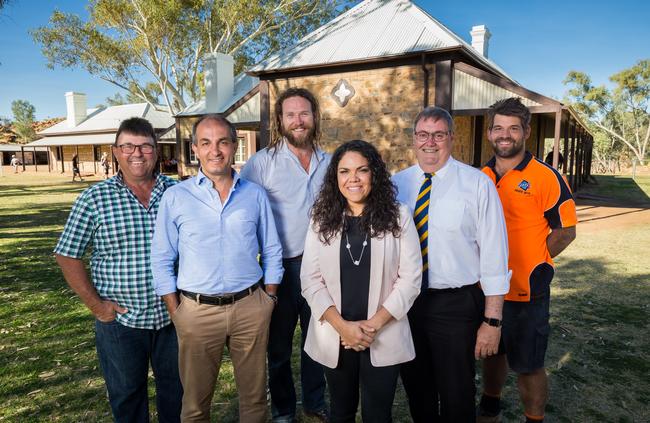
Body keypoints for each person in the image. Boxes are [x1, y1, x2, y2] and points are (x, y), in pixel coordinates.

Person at [151, 114, 284, 422]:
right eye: (206, 143)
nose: (215, 150)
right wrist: (176, 310)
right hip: (196, 312)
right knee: (195, 404)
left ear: (234, 146)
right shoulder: (176, 197)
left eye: (223, 142)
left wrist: (270, 298)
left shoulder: (254, 195)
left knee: (254, 400)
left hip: (250, 307)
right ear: (195, 149)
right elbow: (161, 257)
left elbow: (273, 249)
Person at [54, 117, 182, 423]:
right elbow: (67, 255)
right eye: (128, 146)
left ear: (156, 150)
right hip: (122, 320)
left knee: (177, 393)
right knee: (127, 396)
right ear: (115, 151)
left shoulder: (177, 193)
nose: (137, 153)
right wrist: (98, 307)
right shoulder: (93, 199)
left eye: (145, 146)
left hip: (174, 316)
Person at [392, 106, 511, 422]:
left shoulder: (476, 184)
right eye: (422, 134)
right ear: (414, 139)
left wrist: (492, 321)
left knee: (457, 392)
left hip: (456, 305)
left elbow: (495, 256)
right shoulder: (396, 185)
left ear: (451, 138)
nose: (430, 142)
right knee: (417, 388)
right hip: (409, 302)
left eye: (438, 134)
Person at [301, 140, 422, 422]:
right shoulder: (321, 219)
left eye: (361, 170)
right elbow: (310, 279)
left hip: (382, 331)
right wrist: (344, 328)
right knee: (341, 412)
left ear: (374, 175)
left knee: (377, 415)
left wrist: (371, 327)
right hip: (336, 334)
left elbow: (411, 279)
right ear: (335, 177)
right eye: (344, 171)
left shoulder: (398, 216)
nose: (352, 179)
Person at [478, 98, 577, 423]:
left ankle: (534, 418)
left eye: (513, 128)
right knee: (492, 351)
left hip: (527, 291)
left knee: (529, 364)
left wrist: (535, 259)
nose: (505, 135)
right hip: (487, 289)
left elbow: (566, 231)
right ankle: (490, 404)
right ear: (490, 133)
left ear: (526, 132)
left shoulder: (546, 176)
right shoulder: (482, 176)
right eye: (499, 128)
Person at [241, 87, 330, 422]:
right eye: (290, 114)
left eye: (304, 113)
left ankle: (314, 403)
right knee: (277, 348)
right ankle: (281, 409)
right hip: (280, 270)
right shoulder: (261, 164)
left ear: (315, 117)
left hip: (321, 268)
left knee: (318, 341)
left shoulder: (330, 161)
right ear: (280, 120)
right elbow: (245, 216)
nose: (298, 120)